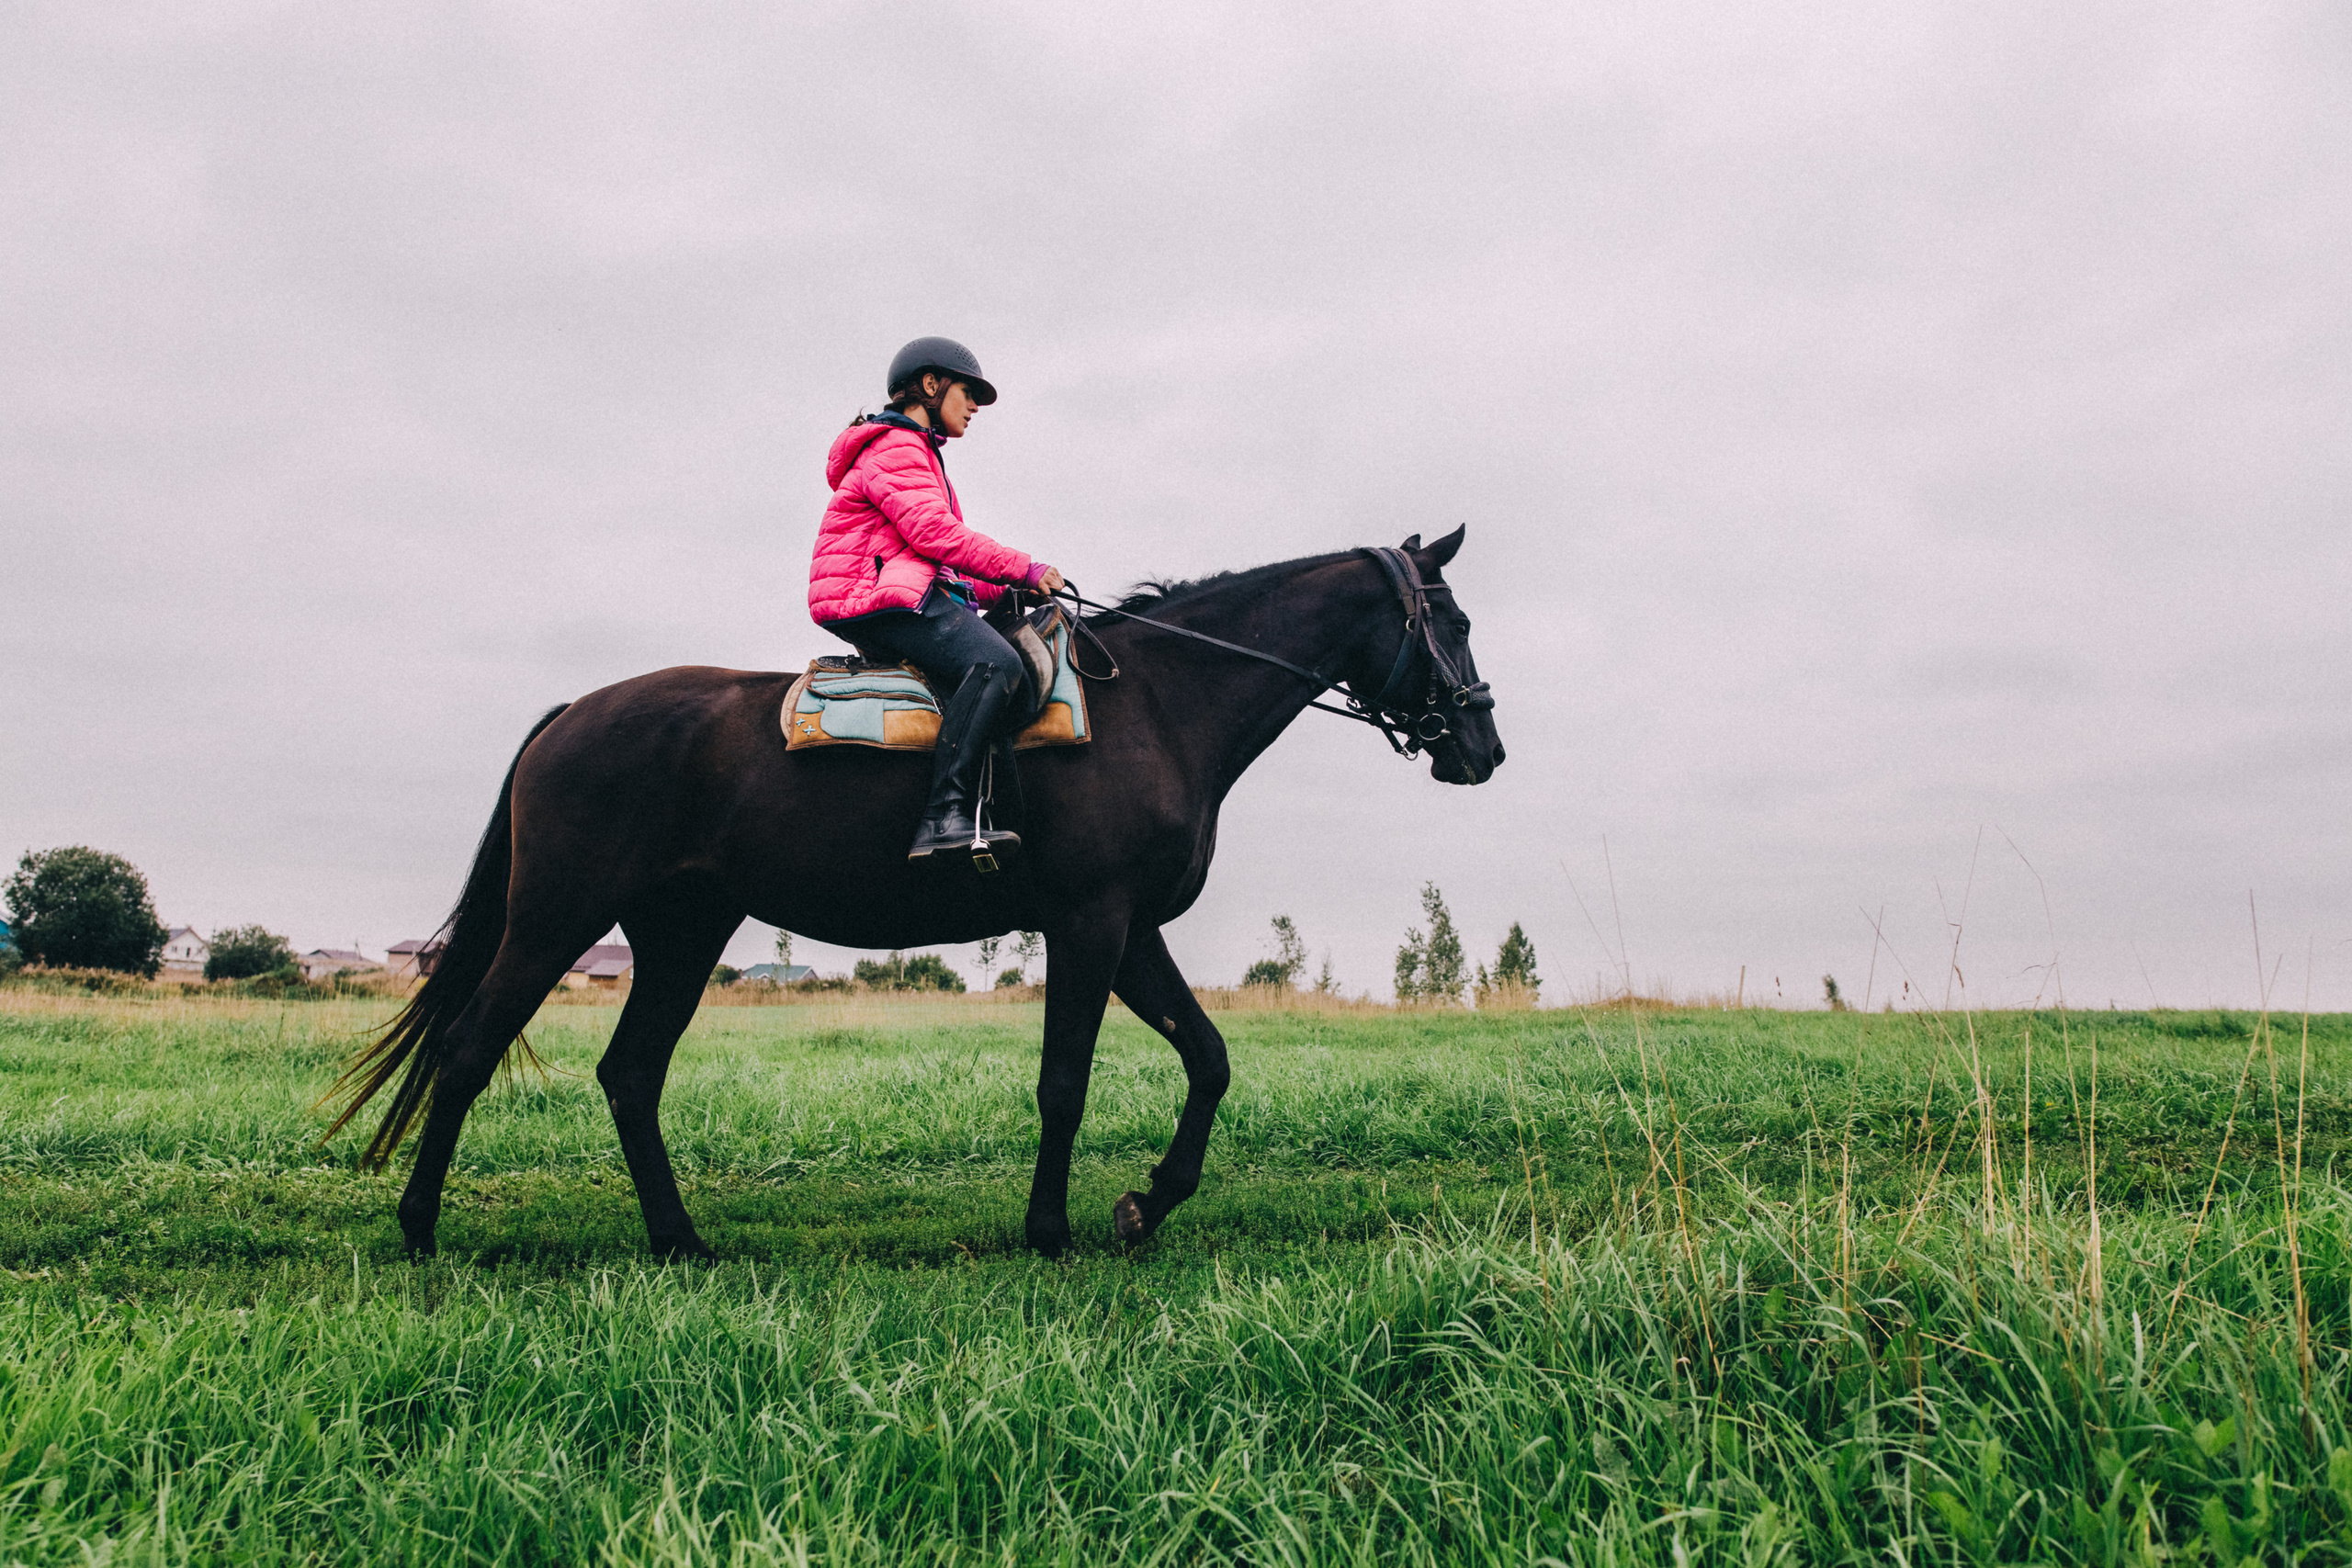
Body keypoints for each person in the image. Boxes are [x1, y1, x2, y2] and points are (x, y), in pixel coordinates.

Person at [808, 337, 1066, 865]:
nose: (974, 407)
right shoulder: (897, 447)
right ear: (931, 385)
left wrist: (1010, 588)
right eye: (968, 393)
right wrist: (1023, 566)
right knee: (996, 664)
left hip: (903, 591)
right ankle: (943, 817)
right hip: (874, 598)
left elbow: (949, 571)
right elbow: (936, 534)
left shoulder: (920, 453)